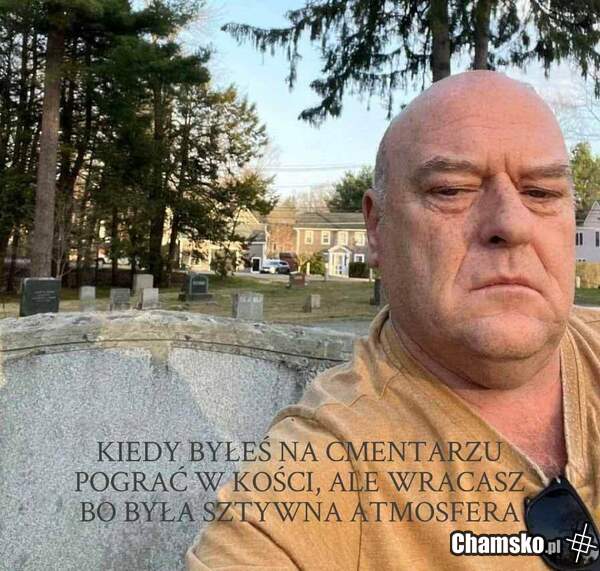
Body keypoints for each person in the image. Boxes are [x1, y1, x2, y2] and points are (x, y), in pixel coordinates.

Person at [186, 71, 600, 570]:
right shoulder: (314, 480)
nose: (511, 223)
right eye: (451, 190)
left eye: (541, 192)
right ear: (376, 226)